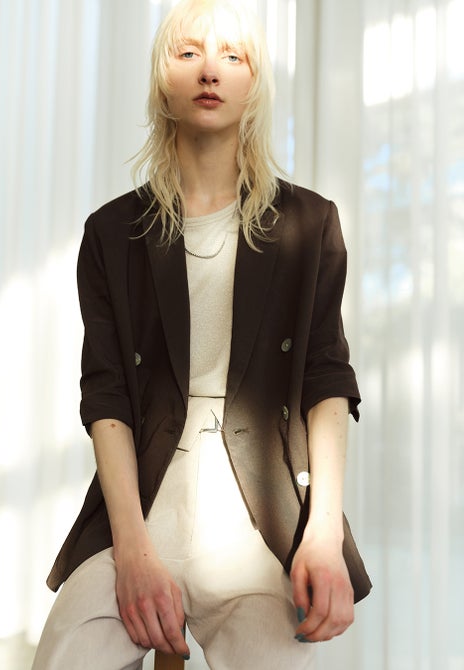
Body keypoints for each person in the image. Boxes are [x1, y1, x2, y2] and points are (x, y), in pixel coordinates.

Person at [32, 0, 371, 668]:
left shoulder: (310, 224)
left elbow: (326, 380)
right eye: (188, 53)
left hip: (259, 518)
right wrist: (133, 553)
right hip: (141, 512)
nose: (209, 70)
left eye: (231, 56)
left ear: (254, 85)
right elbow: (105, 397)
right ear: (163, 81)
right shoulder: (112, 234)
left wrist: (323, 533)